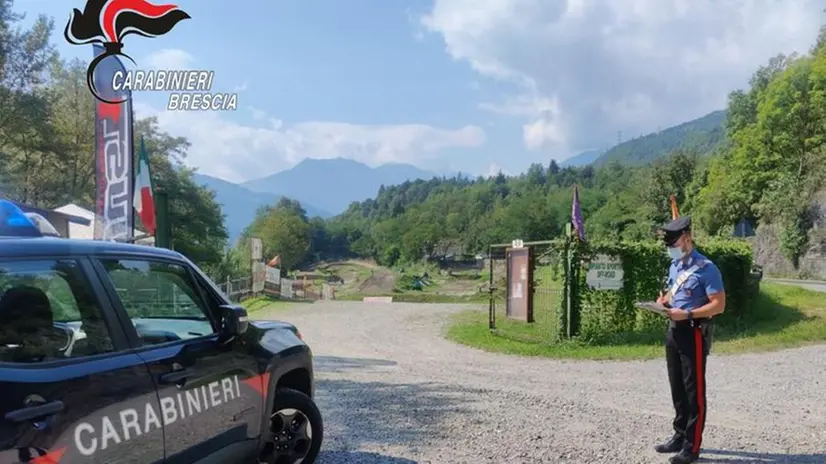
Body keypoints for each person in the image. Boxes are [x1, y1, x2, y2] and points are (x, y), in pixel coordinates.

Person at [654, 216, 726, 464]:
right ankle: (679, 433)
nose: (671, 249)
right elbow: (675, 296)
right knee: (677, 387)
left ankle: (692, 445)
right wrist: (664, 303)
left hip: (693, 331)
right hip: (673, 330)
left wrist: (688, 313)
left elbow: (719, 305)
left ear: (687, 239)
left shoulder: (707, 268)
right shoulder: (675, 267)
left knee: (694, 390)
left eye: (674, 244)